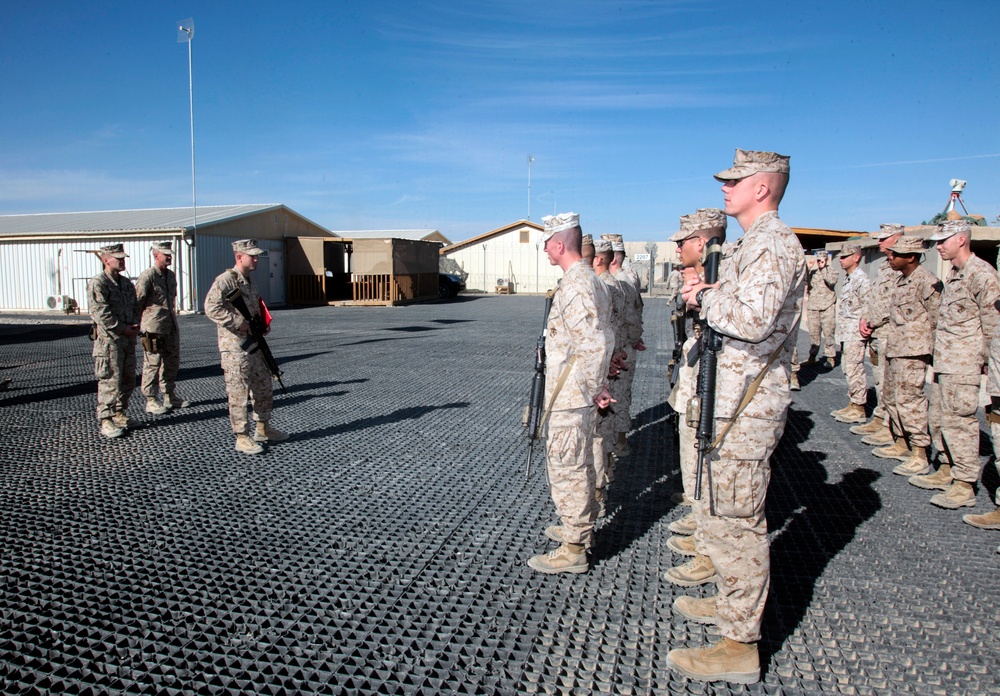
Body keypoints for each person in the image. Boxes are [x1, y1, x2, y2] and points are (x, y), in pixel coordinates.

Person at [668, 149, 805, 684]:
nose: (725, 189)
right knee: (723, 516)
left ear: (763, 188)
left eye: (736, 180)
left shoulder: (772, 244)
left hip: (745, 408)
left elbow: (751, 319)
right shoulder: (752, 244)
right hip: (728, 402)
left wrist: (705, 296)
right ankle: (731, 609)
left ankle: (740, 645)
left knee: (740, 525)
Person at [528, 213, 614, 575]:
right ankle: (575, 527)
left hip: (572, 395)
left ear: (559, 244)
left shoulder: (577, 284)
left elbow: (593, 344)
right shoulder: (587, 280)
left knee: (569, 467)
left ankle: (574, 546)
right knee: (578, 462)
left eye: (546, 242)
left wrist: (596, 390)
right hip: (576, 391)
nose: (544, 248)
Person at [909, 220, 1000, 508]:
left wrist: (984, 362)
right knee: (943, 419)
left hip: (964, 364)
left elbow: (993, 325)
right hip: (946, 362)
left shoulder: (982, 275)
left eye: (943, 240)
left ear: (961, 240)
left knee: (961, 422)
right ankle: (948, 468)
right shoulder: (955, 274)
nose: (938, 246)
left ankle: (964, 485)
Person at [662, 209, 727, 595]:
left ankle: (708, 551)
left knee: (709, 464)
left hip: (717, 387)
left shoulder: (722, 274)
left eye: (682, 241)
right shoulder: (705, 273)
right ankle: (702, 532)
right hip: (698, 378)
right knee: (694, 455)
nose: (676, 248)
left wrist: (702, 292)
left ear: (700, 243)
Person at [860, 235, 942, 475]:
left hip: (913, 352)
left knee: (910, 400)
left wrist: (936, 353)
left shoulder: (926, 282)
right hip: (896, 348)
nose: (891, 257)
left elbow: (937, 320)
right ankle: (901, 442)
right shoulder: (902, 280)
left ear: (912, 257)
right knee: (892, 397)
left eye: (896, 254)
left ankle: (920, 452)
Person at [205, 239, 288, 455]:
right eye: (252, 255)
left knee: (263, 384)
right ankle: (242, 437)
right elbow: (210, 307)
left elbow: (255, 308)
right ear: (239, 257)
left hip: (254, 344)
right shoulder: (225, 281)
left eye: (257, 255)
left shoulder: (250, 282)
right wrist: (238, 322)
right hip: (236, 347)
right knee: (239, 391)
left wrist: (262, 324)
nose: (256, 259)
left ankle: (263, 427)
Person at [852, 224, 905, 442]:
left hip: (888, 332)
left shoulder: (900, 267)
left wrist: (872, 321)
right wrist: (866, 318)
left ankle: (889, 426)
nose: (880, 242)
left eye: (885, 238)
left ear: (898, 238)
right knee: (880, 380)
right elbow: (875, 297)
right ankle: (881, 417)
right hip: (876, 331)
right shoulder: (885, 266)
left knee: (890, 383)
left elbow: (892, 302)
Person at [87, 243, 140, 439]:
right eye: (118, 258)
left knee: (127, 379)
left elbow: (135, 306)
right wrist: (121, 328)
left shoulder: (126, 284)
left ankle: (120, 413)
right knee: (110, 380)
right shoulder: (99, 283)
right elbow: (100, 312)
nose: (122, 260)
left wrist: (134, 325)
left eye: (123, 257)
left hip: (127, 340)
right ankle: (106, 419)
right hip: (110, 342)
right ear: (105, 259)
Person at [135, 241, 189, 414]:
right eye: (165, 254)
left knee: (171, 360)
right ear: (156, 255)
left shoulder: (171, 275)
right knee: (152, 362)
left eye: (170, 254)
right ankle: (151, 399)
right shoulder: (148, 276)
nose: (169, 257)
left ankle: (169, 394)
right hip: (153, 327)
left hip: (170, 325)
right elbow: (138, 301)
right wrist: (137, 324)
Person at [604, 233, 645, 458]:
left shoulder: (615, 285)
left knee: (613, 399)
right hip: (626, 349)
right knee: (622, 395)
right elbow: (636, 317)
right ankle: (619, 440)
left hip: (615, 352)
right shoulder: (630, 282)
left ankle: (615, 447)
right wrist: (633, 340)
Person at [829, 243, 872, 424]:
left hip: (855, 332)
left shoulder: (861, 279)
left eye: (844, 257)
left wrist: (865, 323)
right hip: (847, 332)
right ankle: (853, 402)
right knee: (848, 368)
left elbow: (868, 304)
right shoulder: (849, 279)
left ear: (856, 257)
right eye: (840, 256)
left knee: (854, 368)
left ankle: (859, 406)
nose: (841, 260)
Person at [806, 250, 838, 366]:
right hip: (813, 307)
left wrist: (824, 269)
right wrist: (808, 269)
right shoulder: (813, 273)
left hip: (827, 306)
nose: (819, 262)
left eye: (822, 260)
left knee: (828, 332)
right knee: (813, 333)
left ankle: (830, 357)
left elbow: (831, 282)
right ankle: (812, 356)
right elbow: (805, 282)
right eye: (818, 260)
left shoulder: (832, 272)